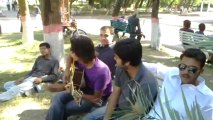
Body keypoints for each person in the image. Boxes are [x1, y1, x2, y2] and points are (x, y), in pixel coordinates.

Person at [84, 38, 158, 120]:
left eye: (116, 57)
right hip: (117, 109)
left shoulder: (147, 83)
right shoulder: (121, 69)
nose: (114, 58)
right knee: (88, 118)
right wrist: (106, 118)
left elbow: (135, 115)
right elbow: (115, 95)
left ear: (127, 62)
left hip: (129, 116)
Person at [45, 35, 112, 120]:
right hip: (81, 90)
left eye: (73, 51)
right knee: (56, 98)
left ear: (80, 53)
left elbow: (96, 99)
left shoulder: (101, 71)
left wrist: (74, 93)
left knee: (62, 108)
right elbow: (70, 56)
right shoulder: (81, 59)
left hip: (97, 99)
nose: (71, 52)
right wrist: (67, 70)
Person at [146, 48, 213, 120]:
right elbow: (156, 69)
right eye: (182, 67)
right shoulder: (172, 74)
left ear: (201, 71)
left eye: (192, 69)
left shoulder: (207, 97)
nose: (185, 72)